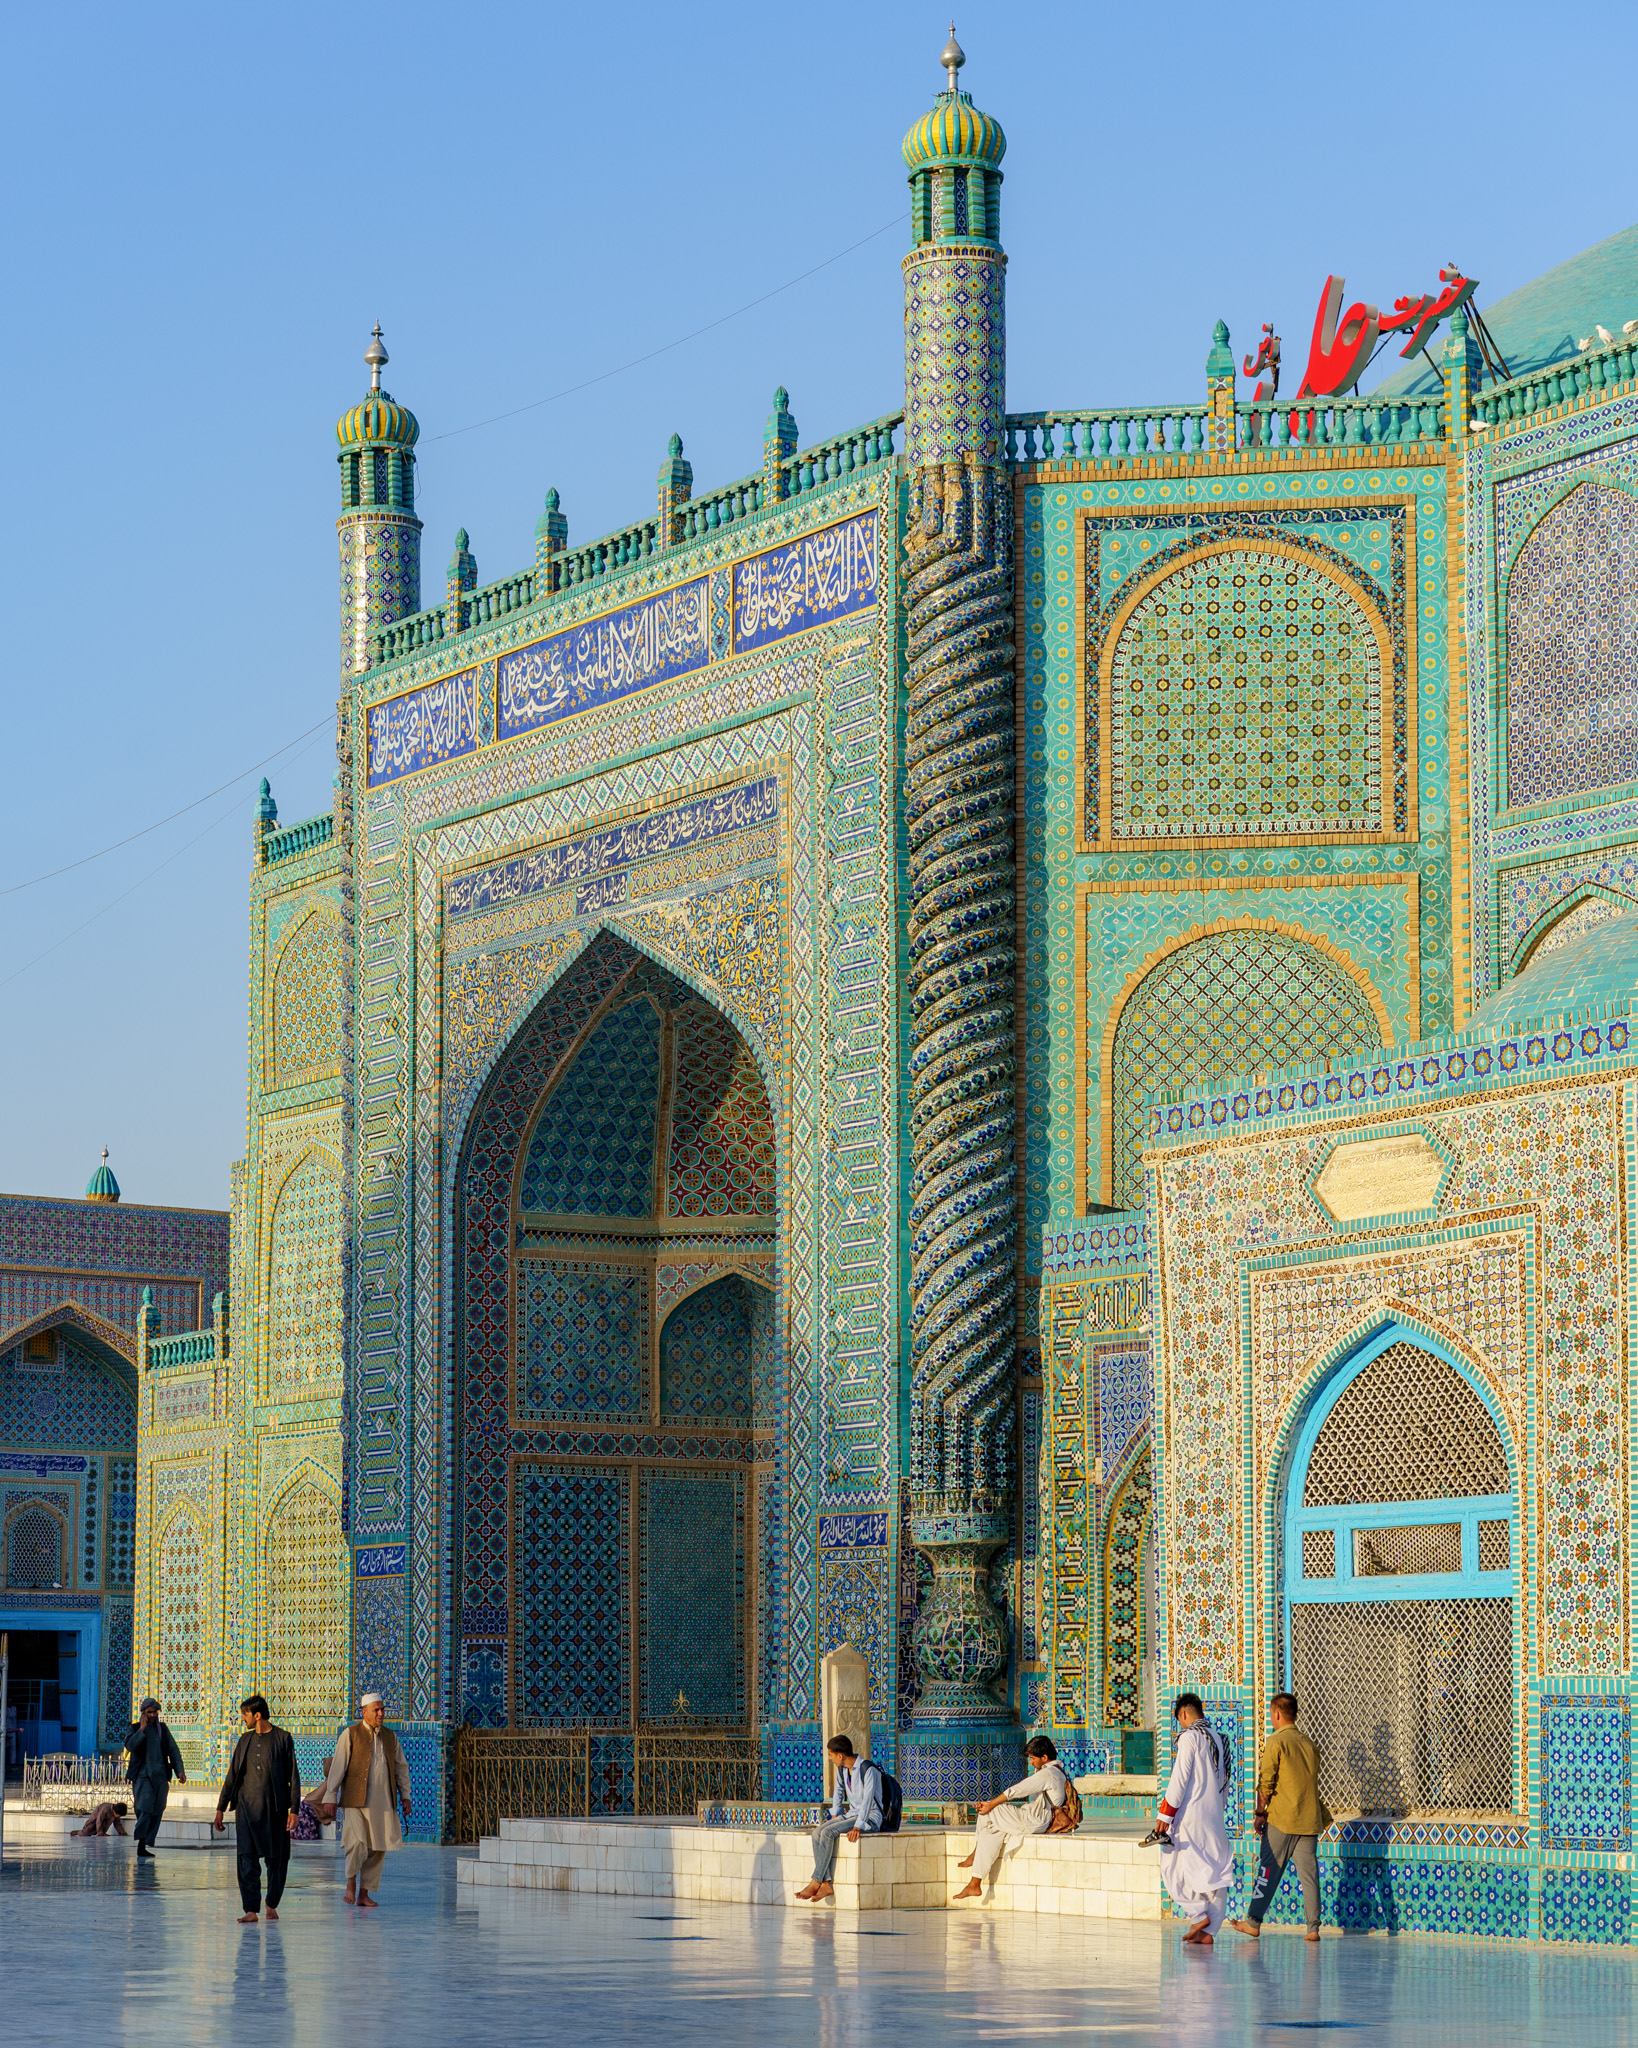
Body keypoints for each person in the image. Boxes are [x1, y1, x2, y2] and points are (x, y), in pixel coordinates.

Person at [1231, 1691, 1331, 1944]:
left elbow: (1267, 1780)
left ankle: (1253, 1922)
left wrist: (1260, 1814)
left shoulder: (1276, 1741)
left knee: (1267, 1869)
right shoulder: (1309, 1744)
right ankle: (1313, 1928)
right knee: (1309, 1876)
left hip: (1282, 1819)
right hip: (1308, 1820)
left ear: (1276, 1714)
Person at [1153, 1692, 1233, 1945]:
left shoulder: (1189, 1738)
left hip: (1191, 1815)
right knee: (1216, 1872)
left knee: (1171, 1864)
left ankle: (1197, 1914)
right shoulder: (1220, 1739)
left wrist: (1165, 1814)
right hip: (1214, 1815)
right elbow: (1225, 1782)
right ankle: (1209, 1932)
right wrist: (1218, 1811)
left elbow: (1179, 1779)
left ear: (1183, 1714)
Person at [214, 1695, 301, 1924]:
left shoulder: (283, 1738)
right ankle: (251, 1909)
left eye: (245, 1714)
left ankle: (271, 1904)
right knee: (246, 1859)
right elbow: (232, 1775)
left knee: (277, 1860)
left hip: (275, 1811)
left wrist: (294, 1810)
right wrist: (221, 1807)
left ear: (257, 1715)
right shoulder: (244, 1741)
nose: (243, 1718)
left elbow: (293, 1775)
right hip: (246, 1810)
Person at [321, 1693, 413, 1908]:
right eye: (376, 1710)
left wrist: (405, 1795)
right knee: (357, 1843)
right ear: (364, 1712)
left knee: (377, 1847)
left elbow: (401, 1767)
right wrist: (331, 1796)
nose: (381, 1714)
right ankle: (351, 1882)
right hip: (356, 1801)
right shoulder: (350, 1734)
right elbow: (338, 1767)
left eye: (382, 1709)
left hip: (383, 1803)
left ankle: (364, 1893)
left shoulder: (390, 1737)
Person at [953, 1736, 1070, 1900]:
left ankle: (975, 1852)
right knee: (992, 1831)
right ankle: (975, 1883)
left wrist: (991, 1804)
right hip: (1036, 1819)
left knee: (989, 1811)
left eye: (1033, 1758)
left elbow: (1018, 1790)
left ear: (1044, 1757)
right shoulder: (1056, 1771)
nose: (1031, 1762)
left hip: (1035, 1821)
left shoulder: (1048, 1773)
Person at [795, 1735, 882, 1902]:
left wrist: (858, 1826)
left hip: (869, 1818)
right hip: (852, 1814)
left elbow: (868, 1801)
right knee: (818, 1832)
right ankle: (826, 1883)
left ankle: (815, 1881)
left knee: (828, 1833)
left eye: (831, 1755)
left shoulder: (868, 1770)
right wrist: (835, 1816)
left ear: (840, 1755)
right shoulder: (842, 1770)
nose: (830, 1758)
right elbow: (838, 1793)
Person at [124, 1698, 187, 1858]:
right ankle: (140, 1843)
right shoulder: (135, 1728)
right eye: (149, 1712)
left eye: (154, 1712)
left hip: (160, 1776)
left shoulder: (162, 1730)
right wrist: (142, 1730)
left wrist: (179, 1770)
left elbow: (173, 1750)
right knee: (145, 1808)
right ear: (144, 1713)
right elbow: (130, 1746)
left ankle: (146, 1842)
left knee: (157, 1810)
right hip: (143, 1776)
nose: (152, 1715)